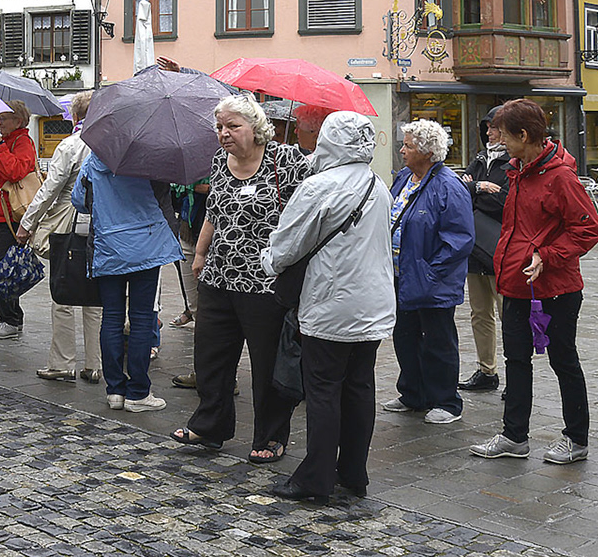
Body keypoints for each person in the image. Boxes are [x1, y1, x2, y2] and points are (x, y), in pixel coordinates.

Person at [259, 111, 393, 504]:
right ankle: (353, 471)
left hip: (331, 302)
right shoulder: (376, 184)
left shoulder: (320, 186)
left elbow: (287, 244)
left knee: (322, 390)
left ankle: (314, 477)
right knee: (359, 387)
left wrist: (269, 261)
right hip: (373, 303)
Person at [170, 94, 308, 463]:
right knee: (211, 357)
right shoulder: (220, 161)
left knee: (266, 365)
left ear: (256, 127)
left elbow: (310, 211)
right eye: (219, 127)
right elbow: (214, 211)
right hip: (219, 276)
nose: (224, 134)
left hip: (266, 282)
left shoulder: (286, 160)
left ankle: (271, 435)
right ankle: (210, 425)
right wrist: (200, 254)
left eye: (233, 126)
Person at [470, 98, 598, 464]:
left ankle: (576, 439)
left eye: (504, 135)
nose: (498, 141)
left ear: (524, 135)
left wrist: (547, 255)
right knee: (516, 360)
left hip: (556, 290)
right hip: (516, 283)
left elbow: (589, 230)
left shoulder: (560, 177)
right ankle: (515, 436)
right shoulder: (518, 170)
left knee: (563, 361)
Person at [73, 148, 180, 412]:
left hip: (108, 245)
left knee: (111, 316)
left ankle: (115, 391)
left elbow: (78, 200)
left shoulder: (94, 160)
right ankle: (138, 393)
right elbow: (165, 197)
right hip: (147, 245)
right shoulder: (152, 158)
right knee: (142, 318)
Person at [382, 120, 474, 425]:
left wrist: (431, 273)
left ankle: (446, 401)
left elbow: (459, 239)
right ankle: (413, 393)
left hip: (432, 281)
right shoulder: (404, 178)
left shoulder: (449, 186)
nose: (402, 150)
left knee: (437, 341)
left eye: (408, 145)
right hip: (402, 275)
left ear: (426, 151)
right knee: (405, 336)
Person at [15, 90, 102, 383]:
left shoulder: (71, 145)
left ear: (75, 116)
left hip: (69, 221)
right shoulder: (108, 145)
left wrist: (27, 223)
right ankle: (95, 363)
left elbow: (49, 190)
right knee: (95, 296)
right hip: (101, 224)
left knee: (63, 290)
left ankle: (63, 362)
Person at [458, 120, 507, 392]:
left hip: (501, 249)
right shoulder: (479, 159)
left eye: (494, 128)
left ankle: (516, 373)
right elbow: (460, 192)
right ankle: (486, 370)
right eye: (487, 128)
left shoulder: (513, 162)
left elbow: (507, 201)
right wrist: (479, 188)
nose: (489, 133)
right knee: (479, 313)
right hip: (476, 249)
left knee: (506, 314)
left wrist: (475, 190)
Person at [0, 102, 38, 340]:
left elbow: (15, 172)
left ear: (19, 121)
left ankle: (11, 319)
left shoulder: (22, 143)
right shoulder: (5, 143)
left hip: (12, 215)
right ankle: (9, 316)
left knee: (2, 267)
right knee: (2, 266)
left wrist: (0, 148)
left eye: (5, 118)